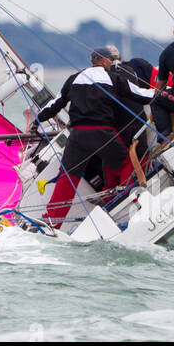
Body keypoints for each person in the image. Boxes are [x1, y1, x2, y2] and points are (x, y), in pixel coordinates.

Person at [30, 48, 155, 229]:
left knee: (68, 178)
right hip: (101, 133)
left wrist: (37, 120)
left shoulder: (74, 79)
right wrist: (162, 92)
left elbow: (54, 104)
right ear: (104, 61)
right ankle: (127, 202)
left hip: (77, 136)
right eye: (110, 61)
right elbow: (140, 95)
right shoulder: (112, 78)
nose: (112, 65)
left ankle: (52, 221)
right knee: (128, 163)